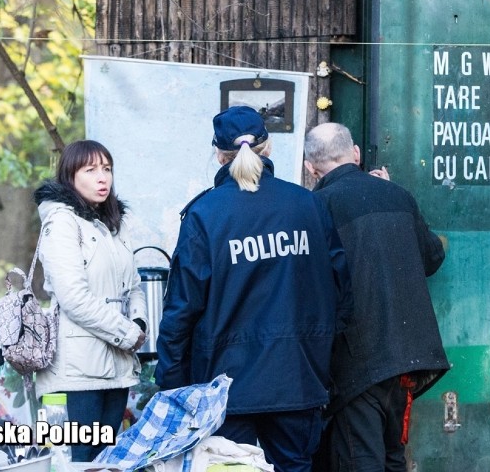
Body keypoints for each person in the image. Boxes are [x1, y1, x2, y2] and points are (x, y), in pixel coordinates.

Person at [156, 106, 352, 472]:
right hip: (298, 378)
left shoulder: (204, 214)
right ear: (269, 148)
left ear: (219, 154)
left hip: (226, 388)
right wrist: (321, 357)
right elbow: (341, 292)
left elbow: (181, 309)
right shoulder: (307, 205)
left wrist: (171, 382)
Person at [303, 122, 450, 472]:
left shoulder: (315, 206)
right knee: (392, 458)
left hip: (357, 362)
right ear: (354, 153)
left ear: (311, 169)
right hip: (405, 361)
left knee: (360, 461)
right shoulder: (397, 195)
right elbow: (432, 258)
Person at [33, 139, 147, 462]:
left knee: (107, 463)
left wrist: (139, 322)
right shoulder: (61, 222)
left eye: (107, 169)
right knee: (73, 463)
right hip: (75, 373)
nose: (103, 178)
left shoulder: (113, 223)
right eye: (91, 169)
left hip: (117, 368)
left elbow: (134, 285)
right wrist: (127, 333)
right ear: (71, 176)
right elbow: (74, 298)